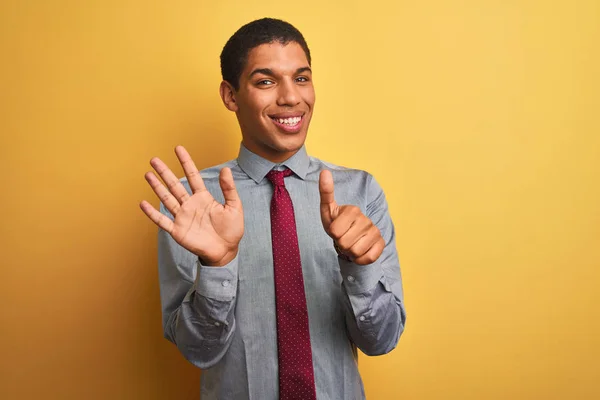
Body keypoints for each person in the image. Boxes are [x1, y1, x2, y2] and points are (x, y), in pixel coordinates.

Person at [140, 17, 406, 400]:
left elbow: (381, 341)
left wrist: (360, 270)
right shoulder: (192, 206)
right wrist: (217, 266)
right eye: (266, 81)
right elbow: (198, 350)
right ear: (231, 96)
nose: (291, 98)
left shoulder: (360, 192)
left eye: (301, 78)